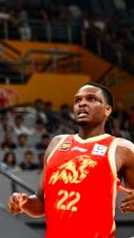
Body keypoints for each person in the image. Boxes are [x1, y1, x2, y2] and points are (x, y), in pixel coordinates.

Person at [7, 83, 134, 237]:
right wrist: (24, 202)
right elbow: (41, 203)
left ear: (107, 110)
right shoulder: (57, 143)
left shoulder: (121, 148)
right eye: (78, 100)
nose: (82, 103)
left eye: (91, 99)